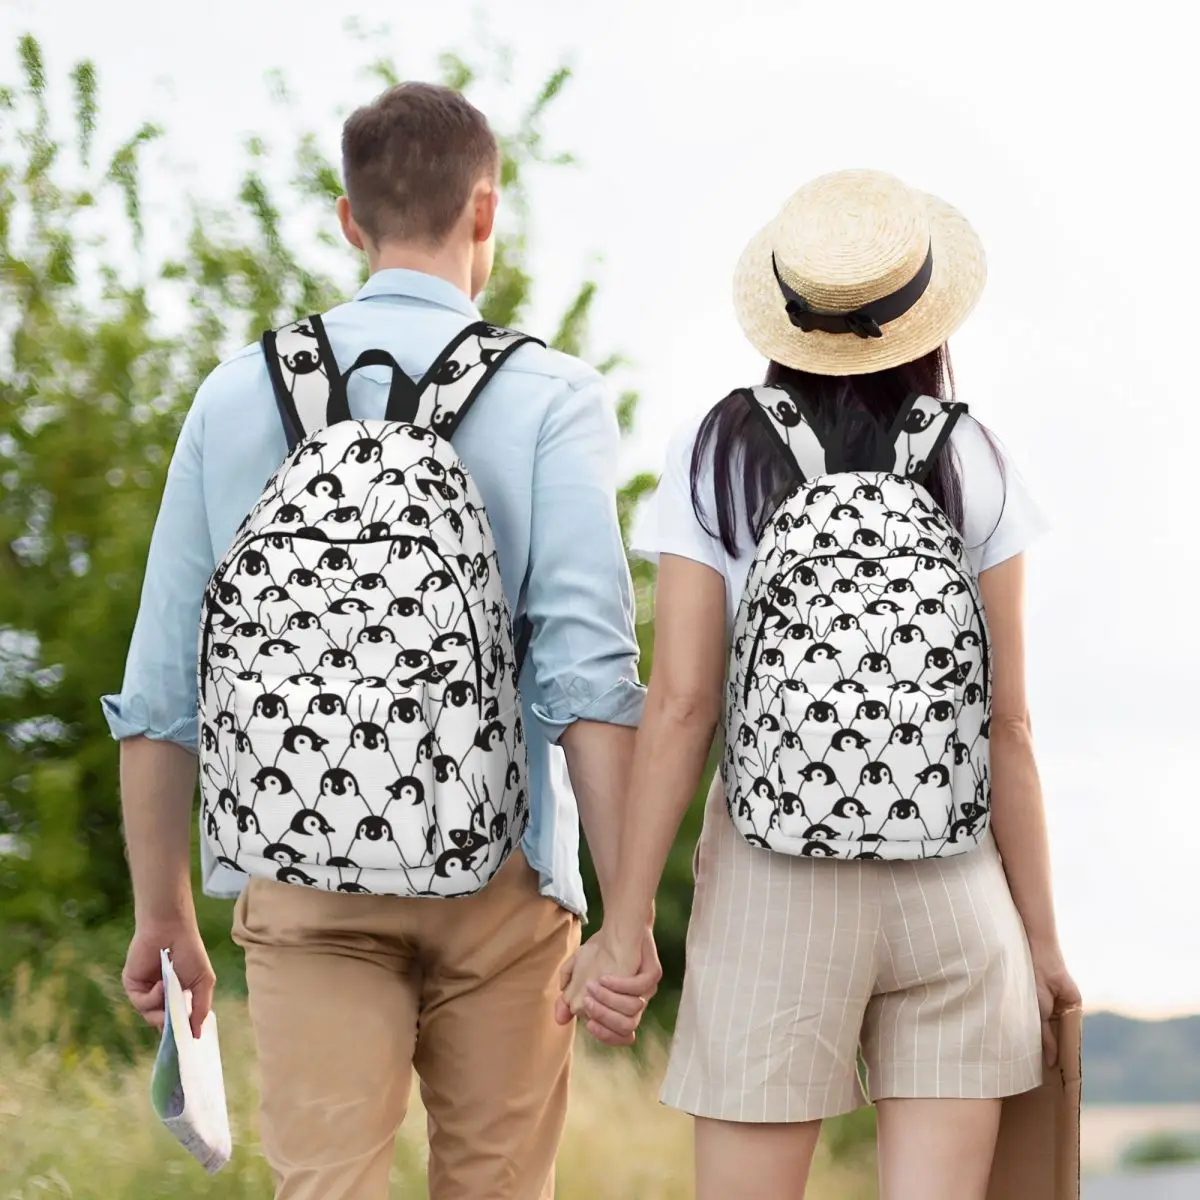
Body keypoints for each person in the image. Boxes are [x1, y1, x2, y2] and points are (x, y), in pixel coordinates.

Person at [104, 81, 661, 1200]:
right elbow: (588, 679)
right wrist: (627, 915)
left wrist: (163, 911)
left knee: (325, 1186)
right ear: (486, 213)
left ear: (349, 219)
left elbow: (164, 685)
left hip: (304, 883)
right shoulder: (551, 395)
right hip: (505, 877)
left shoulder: (235, 396)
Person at [560, 169, 1081, 1200]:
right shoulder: (975, 457)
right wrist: (1043, 943)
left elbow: (682, 705)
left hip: (773, 887)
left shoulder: (718, 450)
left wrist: (624, 928)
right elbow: (1009, 726)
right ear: (924, 315)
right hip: (955, 890)